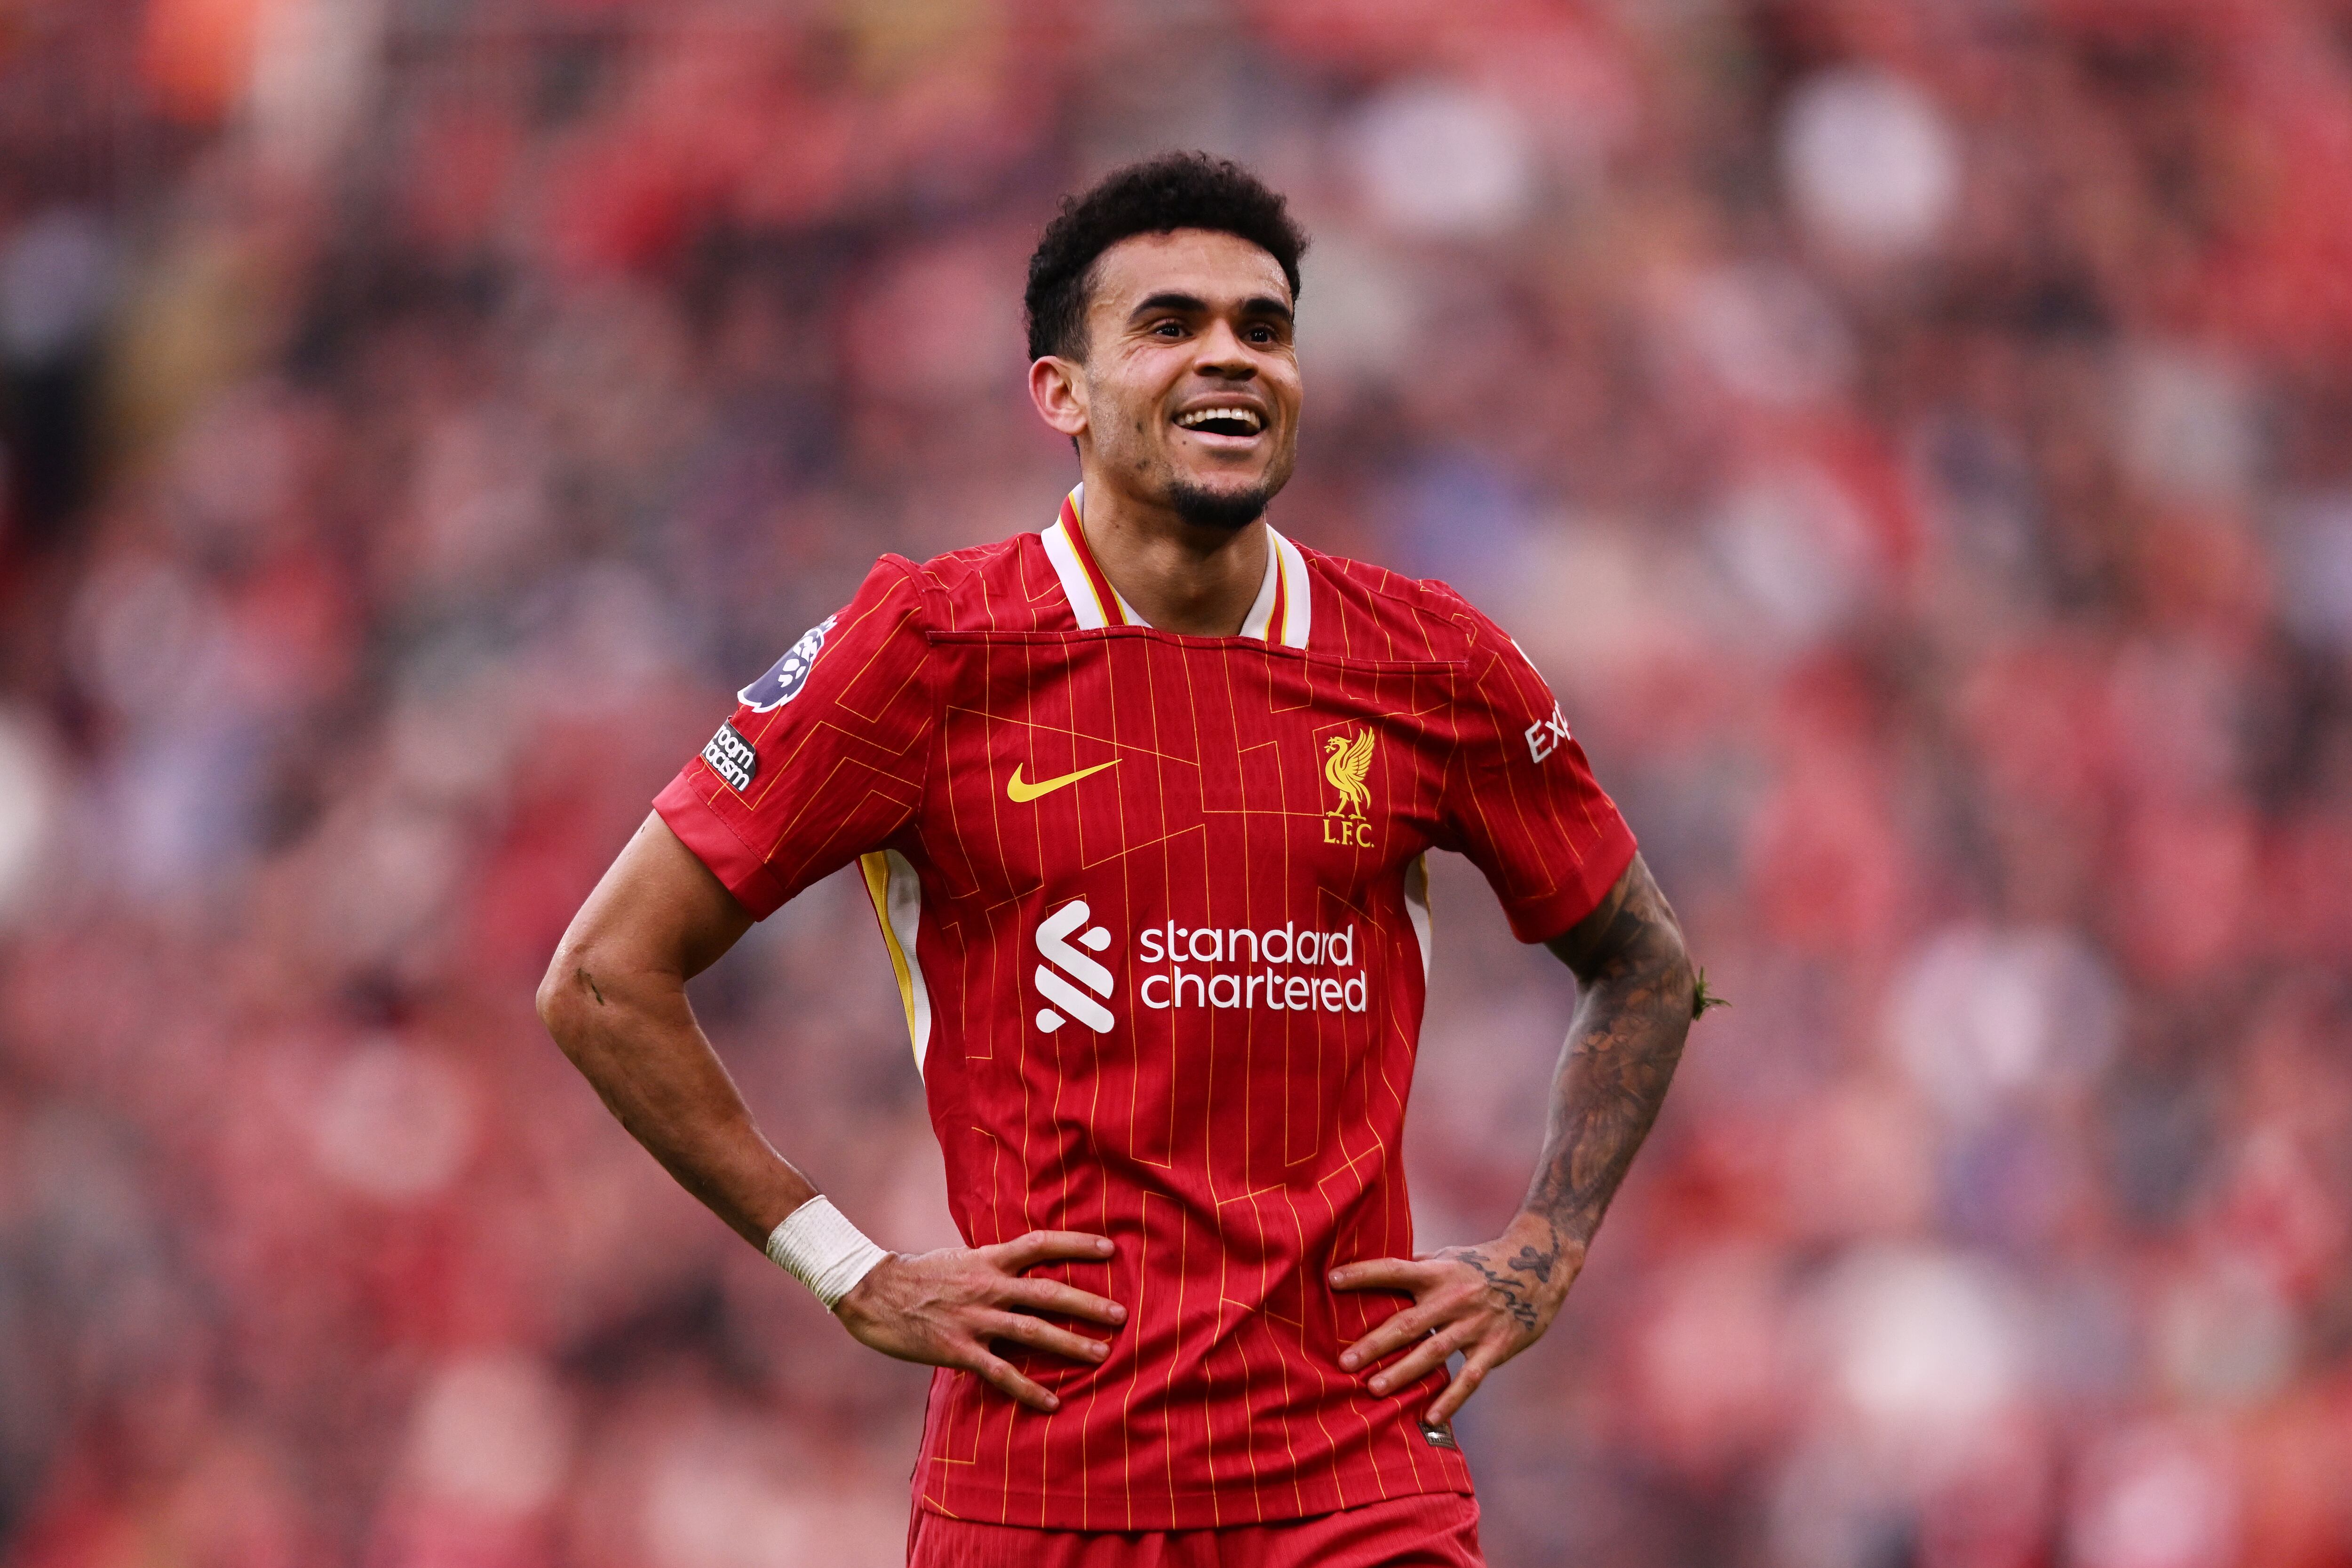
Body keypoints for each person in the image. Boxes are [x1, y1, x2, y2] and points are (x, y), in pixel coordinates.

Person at [539, 151, 1700, 1568]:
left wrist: (1543, 1252)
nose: (1231, 356)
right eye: (1169, 324)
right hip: (1046, 1488)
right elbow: (602, 978)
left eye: (1263, 327)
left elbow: (1646, 963)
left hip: (1359, 1485)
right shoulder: (928, 648)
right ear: (1062, 394)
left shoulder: (1429, 660)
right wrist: (848, 1270)